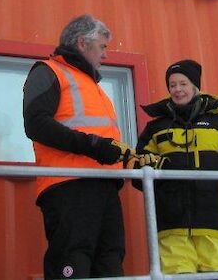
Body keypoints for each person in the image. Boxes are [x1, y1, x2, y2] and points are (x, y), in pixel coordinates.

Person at [134, 59, 218, 276]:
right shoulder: (155, 128)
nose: (177, 90)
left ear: (195, 86)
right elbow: (139, 167)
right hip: (172, 223)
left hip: (213, 221)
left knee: (214, 273)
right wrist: (150, 165)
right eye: (172, 85)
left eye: (183, 84)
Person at [23, 14, 136, 280]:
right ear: (83, 43)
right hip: (69, 185)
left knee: (110, 259)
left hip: (105, 184)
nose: (105, 54)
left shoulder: (93, 86)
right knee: (74, 258)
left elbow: (102, 137)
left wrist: (130, 158)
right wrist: (94, 146)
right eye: (102, 46)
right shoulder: (48, 71)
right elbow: (36, 124)